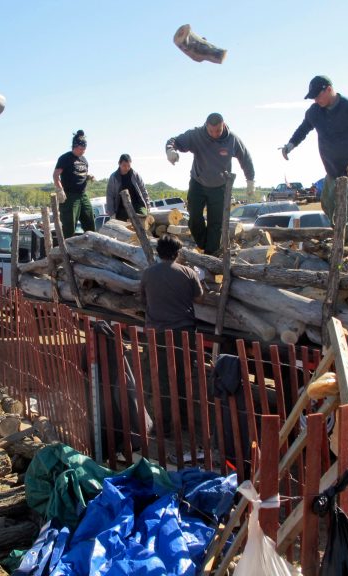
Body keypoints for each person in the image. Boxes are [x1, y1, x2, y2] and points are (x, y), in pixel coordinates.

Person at [281, 75, 348, 246]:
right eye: (313, 97)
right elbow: (303, 129)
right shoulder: (315, 111)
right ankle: (342, 237)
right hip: (332, 170)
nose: (316, 100)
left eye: (318, 95)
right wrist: (290, 144)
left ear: (329, 89)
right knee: (328, 205)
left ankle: (344, 246)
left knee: (344, 209)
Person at [140, 234, 203, 435]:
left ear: (158, 253)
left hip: (157, 332)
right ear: (177, 254)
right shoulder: (188, 272)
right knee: (184, 376)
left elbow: (142, 298)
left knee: (162, 379)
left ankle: (165, 424)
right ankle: (184, 421)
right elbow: (199, 296)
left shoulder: (148, 274)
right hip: (183, 332)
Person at [166, 113, 255, 255]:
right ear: (206, 126)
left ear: (223, 125)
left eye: (218, 131)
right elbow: (174, 141)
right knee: (194, 217)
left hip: (220, 187)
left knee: (216, 224)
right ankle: (203, 244)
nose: (214, 134)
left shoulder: (232, 139)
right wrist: (170, 150)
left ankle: (210, 254)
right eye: (211, 131)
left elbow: (245, 158)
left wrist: (250, 180)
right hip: (198, 183)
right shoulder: (196, 135)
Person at [53, 130, 96, 238]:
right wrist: (60, 190)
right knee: (69, 225)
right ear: (74, 146)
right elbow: (55, 175)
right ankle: (67, 249)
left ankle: (92, 245)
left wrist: (88, 177)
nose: (83, 151)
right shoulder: (65, 158)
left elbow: (79, 174)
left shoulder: (84, 160)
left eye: (84, 149)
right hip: (70, 195)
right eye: (81, 149)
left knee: (90, 221)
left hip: (82, 194)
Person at [105, 153, 150, 221]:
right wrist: (111, 213)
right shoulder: (113, 177)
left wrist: (148, 205)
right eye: (124, 165)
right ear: (119, 164)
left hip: (137, 205)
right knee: (124, 227)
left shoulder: (135, 175)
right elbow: (110, 195)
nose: (126, 168)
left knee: (144, 219)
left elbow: (143, 190)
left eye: (128, 166)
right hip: (121, 208)